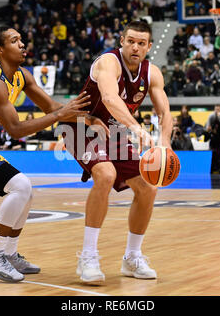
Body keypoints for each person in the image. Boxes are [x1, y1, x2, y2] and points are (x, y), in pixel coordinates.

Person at [0, 26, 105, 283]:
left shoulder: (22, 76)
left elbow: (52, 107)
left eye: (21, 39)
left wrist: (91, 118)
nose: (22, 43)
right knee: (20, 186)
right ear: (0, 50)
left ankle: (9, 252)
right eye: (14, 40)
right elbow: (16, 129)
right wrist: (58, 116)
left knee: (26, 194)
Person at [61, 21, 173, 285]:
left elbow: (165, 112)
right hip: (80, 124)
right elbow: (110, 99)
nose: (135, 47)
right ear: (121, 40)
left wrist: (164, 143)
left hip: (114, 130)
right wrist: (137, 128)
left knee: (148, 187)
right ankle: (88, 257)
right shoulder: (108, 63)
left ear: (149, 46)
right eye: (131, 41)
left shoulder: (152, 73)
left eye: (141, 43)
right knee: (106, 174)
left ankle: (132, 257)